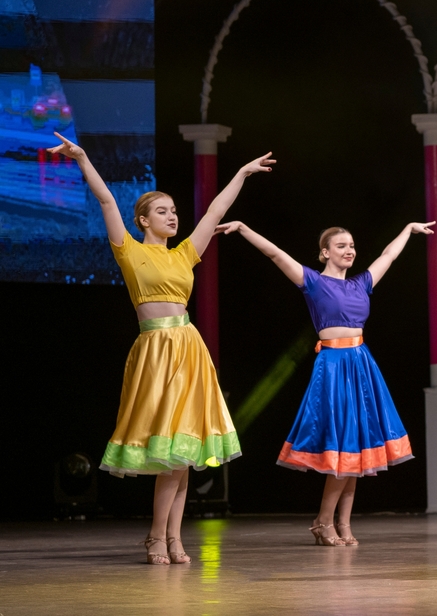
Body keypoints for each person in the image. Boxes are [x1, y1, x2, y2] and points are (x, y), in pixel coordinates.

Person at [47, 132, 274, 565]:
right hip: (155, 352)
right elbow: (107, 201)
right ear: (144, 221)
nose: (172, 216)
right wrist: (82, 158)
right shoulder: (129, 252)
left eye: (174, 211)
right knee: (169, 450)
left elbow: (216, 210)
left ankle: (173, 539)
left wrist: (243, 173)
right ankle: (156, 537)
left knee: (182, 454)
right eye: (163, 211)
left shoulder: (185, 253)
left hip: (189, 349)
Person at [217, 219, 433, 546]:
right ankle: (323, 521)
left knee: (359, 448)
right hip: (333, 367)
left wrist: (407, 229)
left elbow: (388, 255)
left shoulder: (361, 283)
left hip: (361, 365)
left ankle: (343, 524)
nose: (349, 250)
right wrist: (244, 229)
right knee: (344, 444)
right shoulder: (314, 282)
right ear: (325, 253)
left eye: (352, 246)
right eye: (341, 246)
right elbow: (275, 254)